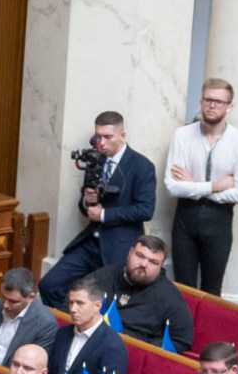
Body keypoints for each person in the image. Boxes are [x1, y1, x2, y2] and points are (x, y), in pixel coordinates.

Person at [41, 110, 157, 301]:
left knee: (106, 300)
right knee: (49, 285)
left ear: (122, 135)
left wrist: (104, 215)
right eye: (98, 136)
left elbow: (145, 209)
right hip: (90, 243)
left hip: (119, 245)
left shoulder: (142, 166)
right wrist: (87, 200)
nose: (101, 143)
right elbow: (85, 206)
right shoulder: (95, 159)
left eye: (108, 137)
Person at [164, 78, 238, 295]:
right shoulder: (182, 135)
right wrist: (217, 185)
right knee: (183, 289)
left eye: (218, 102)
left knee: (213, 291)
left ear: (229, 106)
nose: (212, 106)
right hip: (186, 219)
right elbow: (172, 187)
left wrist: (195, 186)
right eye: (207, 100)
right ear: (200, 101)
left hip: (219, 221)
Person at [91, 236, 195, 349]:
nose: (144, 264)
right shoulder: (105, 275)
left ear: (161, 267)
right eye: (140, 256)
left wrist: (145, 349)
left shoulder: (169, 296)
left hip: (134, 352)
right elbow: (72, 304)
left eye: (153, 262)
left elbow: (182, 340)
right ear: (130, 253)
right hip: (94, 340)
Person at [47, 279, 128, 374]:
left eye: (80, 303)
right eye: (71, 303)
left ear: (97, 306)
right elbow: (49, 373)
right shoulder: (62, 333)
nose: (73, 309)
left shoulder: (112, 345)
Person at [0, 267, 60, 366]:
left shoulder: (45, 323)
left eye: (13, 301)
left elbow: (33, 367)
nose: (5, 305)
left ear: (31, 297)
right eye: (3, 297)